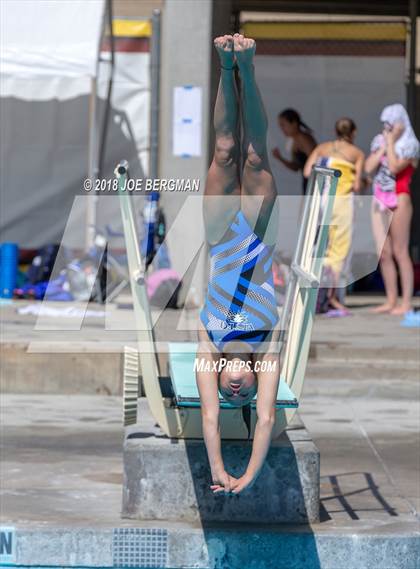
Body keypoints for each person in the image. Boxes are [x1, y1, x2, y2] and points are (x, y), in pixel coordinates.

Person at [197, 33, 281, 496]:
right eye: (243, 392)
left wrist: (219, 470)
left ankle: (225, 66)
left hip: (220, 235)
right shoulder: (268, 351)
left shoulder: (208, 347)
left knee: (226, 149)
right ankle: (246, 68)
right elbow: (265, 418)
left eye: (233, 393)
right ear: (253, 379)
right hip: (260, 233)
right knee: (254, 154)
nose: (235, 391)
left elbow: (210, 417)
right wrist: (248, 475)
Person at [304, 118, 364, 315]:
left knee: (321, 247)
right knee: (339, 251)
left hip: (321, 202)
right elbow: (356, 186)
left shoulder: (322, 148)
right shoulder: (357, 154)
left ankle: (318, 295)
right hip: (342, 202)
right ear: (353, 132)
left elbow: (307, 172)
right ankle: (331, 298)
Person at [365, 103, 419, 315]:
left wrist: (390, 141)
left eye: (391, 123)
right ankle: (390, 299)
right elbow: (368, 169)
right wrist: (383, 146)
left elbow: (396, 167)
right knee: (384, 252)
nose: (387, 127)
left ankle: (405, 302)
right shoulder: (379, 142)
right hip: (378, 199)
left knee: (400, 251)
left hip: (399, 197)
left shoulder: (410, 145)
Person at [272, 108, 317, 194]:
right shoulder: (293, 140)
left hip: (314, 182)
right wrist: (280, 158)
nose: (282, 129)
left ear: (294, 124)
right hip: (307, 181)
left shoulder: (303, 138)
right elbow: (296, 167)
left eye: (283, 125)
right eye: (280, 126)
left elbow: (316, 163)